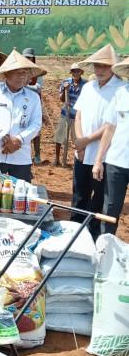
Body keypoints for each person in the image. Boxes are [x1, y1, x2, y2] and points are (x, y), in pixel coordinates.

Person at [71, 43, 124, 239]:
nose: (100, 70)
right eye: (97, 66)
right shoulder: (88, 87)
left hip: (105, 155)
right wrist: (80, 142)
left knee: (99, 199)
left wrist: (87, 140)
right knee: (79, 196)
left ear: (113, 67)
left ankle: (91, 238)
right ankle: (74, 236)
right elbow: (78, 116)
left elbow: (112, 124)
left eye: (104, 66)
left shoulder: (120, 89)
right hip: (82, 151)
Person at [0, 49, 47, 182]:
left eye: (24, 73)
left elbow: (36, 124)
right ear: (6, 74)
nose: (21, 76)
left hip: (21, 156)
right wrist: (4, 136)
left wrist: (19, 140)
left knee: (20, 195)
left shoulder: (33, 97)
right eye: (17, 72)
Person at [92, 56, 128, 236]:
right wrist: (98, 160)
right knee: (110, 208)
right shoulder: (120, 93)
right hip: (117, 161)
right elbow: (110, 129)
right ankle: (104, 248)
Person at [53, 63, 87, 166]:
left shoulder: (86, 85)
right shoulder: (66, 82)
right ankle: (57, 159)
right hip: (65, 113)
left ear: (81, 72)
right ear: (71, 72)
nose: (75, 73)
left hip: (78, 116)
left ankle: (78, 160)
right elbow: (61, 99)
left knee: (77, 139)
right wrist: (64, 90)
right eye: (73, 71)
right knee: (59, 137)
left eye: (78, 71)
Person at [22, 48, 47, 164]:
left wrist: (23, 86)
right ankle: (23, 153)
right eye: (25, 57)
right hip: (21, 102)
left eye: (29, 57)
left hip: (34, 102)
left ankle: (37, 154)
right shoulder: (19, 69)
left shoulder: (38, 72)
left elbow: (38, 88)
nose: (28, 59)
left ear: (33, 58)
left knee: (36, 129)